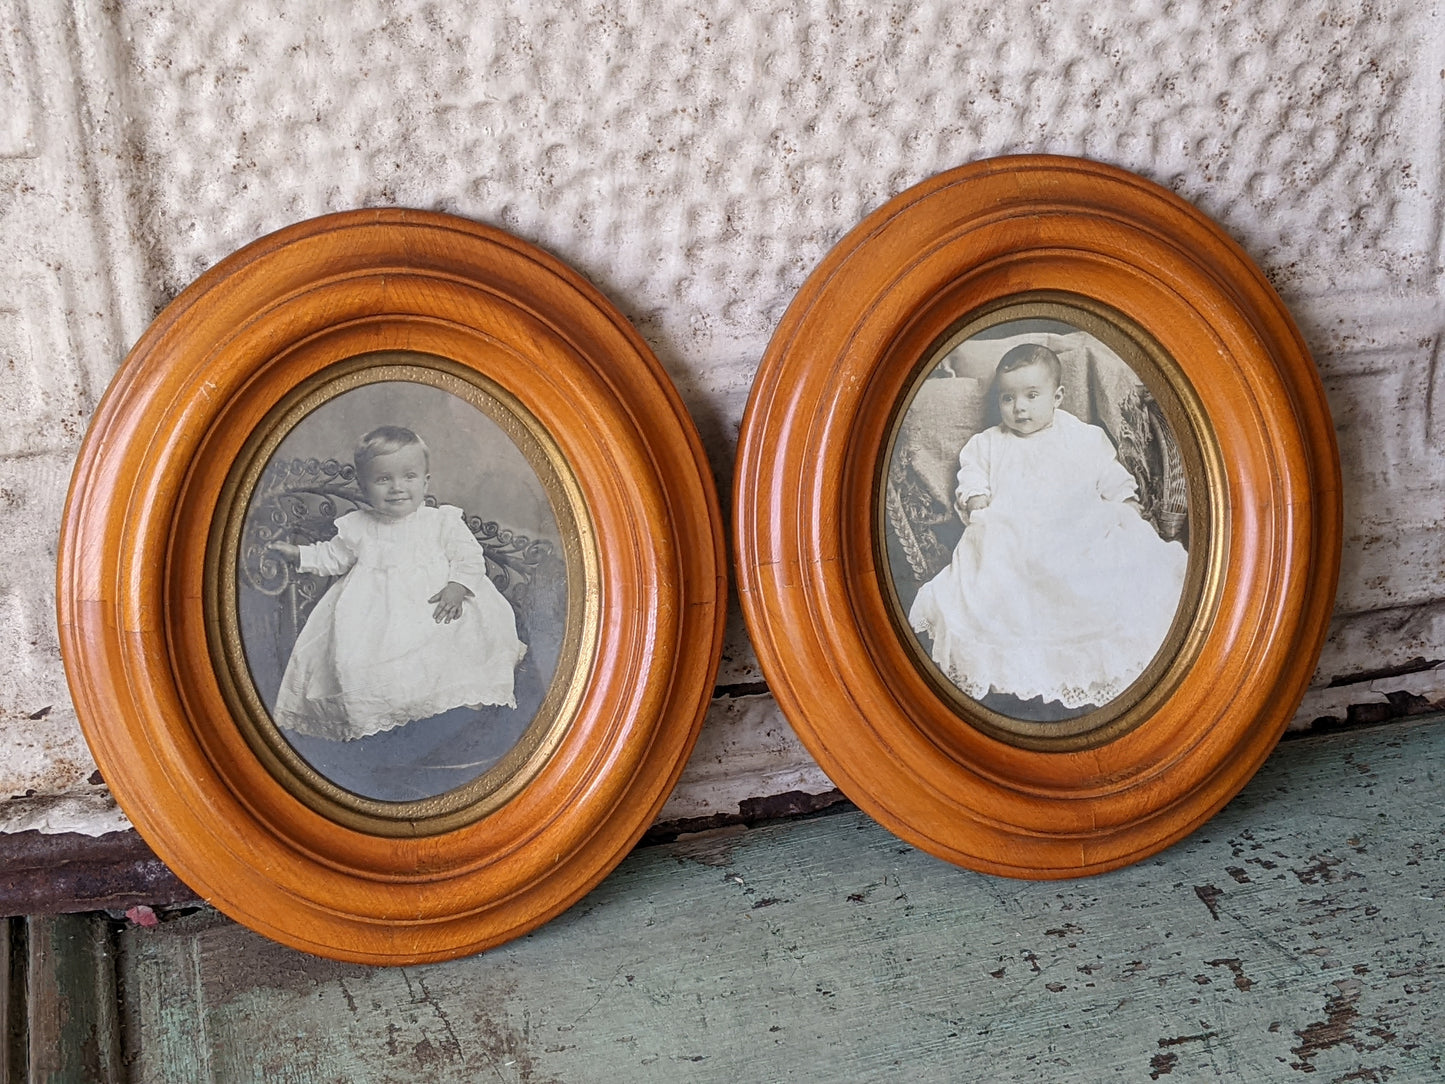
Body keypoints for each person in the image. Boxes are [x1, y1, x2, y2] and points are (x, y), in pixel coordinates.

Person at [908, 344, 1188, 716]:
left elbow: (1108, 472)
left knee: (1110, 552)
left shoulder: (1081, 435)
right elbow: (971, 473)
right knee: (998, 555)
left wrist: (1124, 500)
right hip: (1014, 526)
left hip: (1073, 521)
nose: (1019, 408)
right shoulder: (988, 443)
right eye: (1008, 398)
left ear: (1057, 397)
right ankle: (1024, 655)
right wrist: (975, 497)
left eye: (1031, 396)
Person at [265, 425, 526, 741]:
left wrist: (457, 586)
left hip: (436, 606)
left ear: (425, 481)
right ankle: (388, 722)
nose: (397, 488)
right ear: (363, 487)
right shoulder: (359, 526)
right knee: (356, 662)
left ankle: (441, 718)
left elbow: (469, 557)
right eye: (383, 479)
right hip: (377, 618)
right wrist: (297, 555)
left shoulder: (440, 522)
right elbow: (332, 557)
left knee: (454, 644)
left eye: (409, 477)